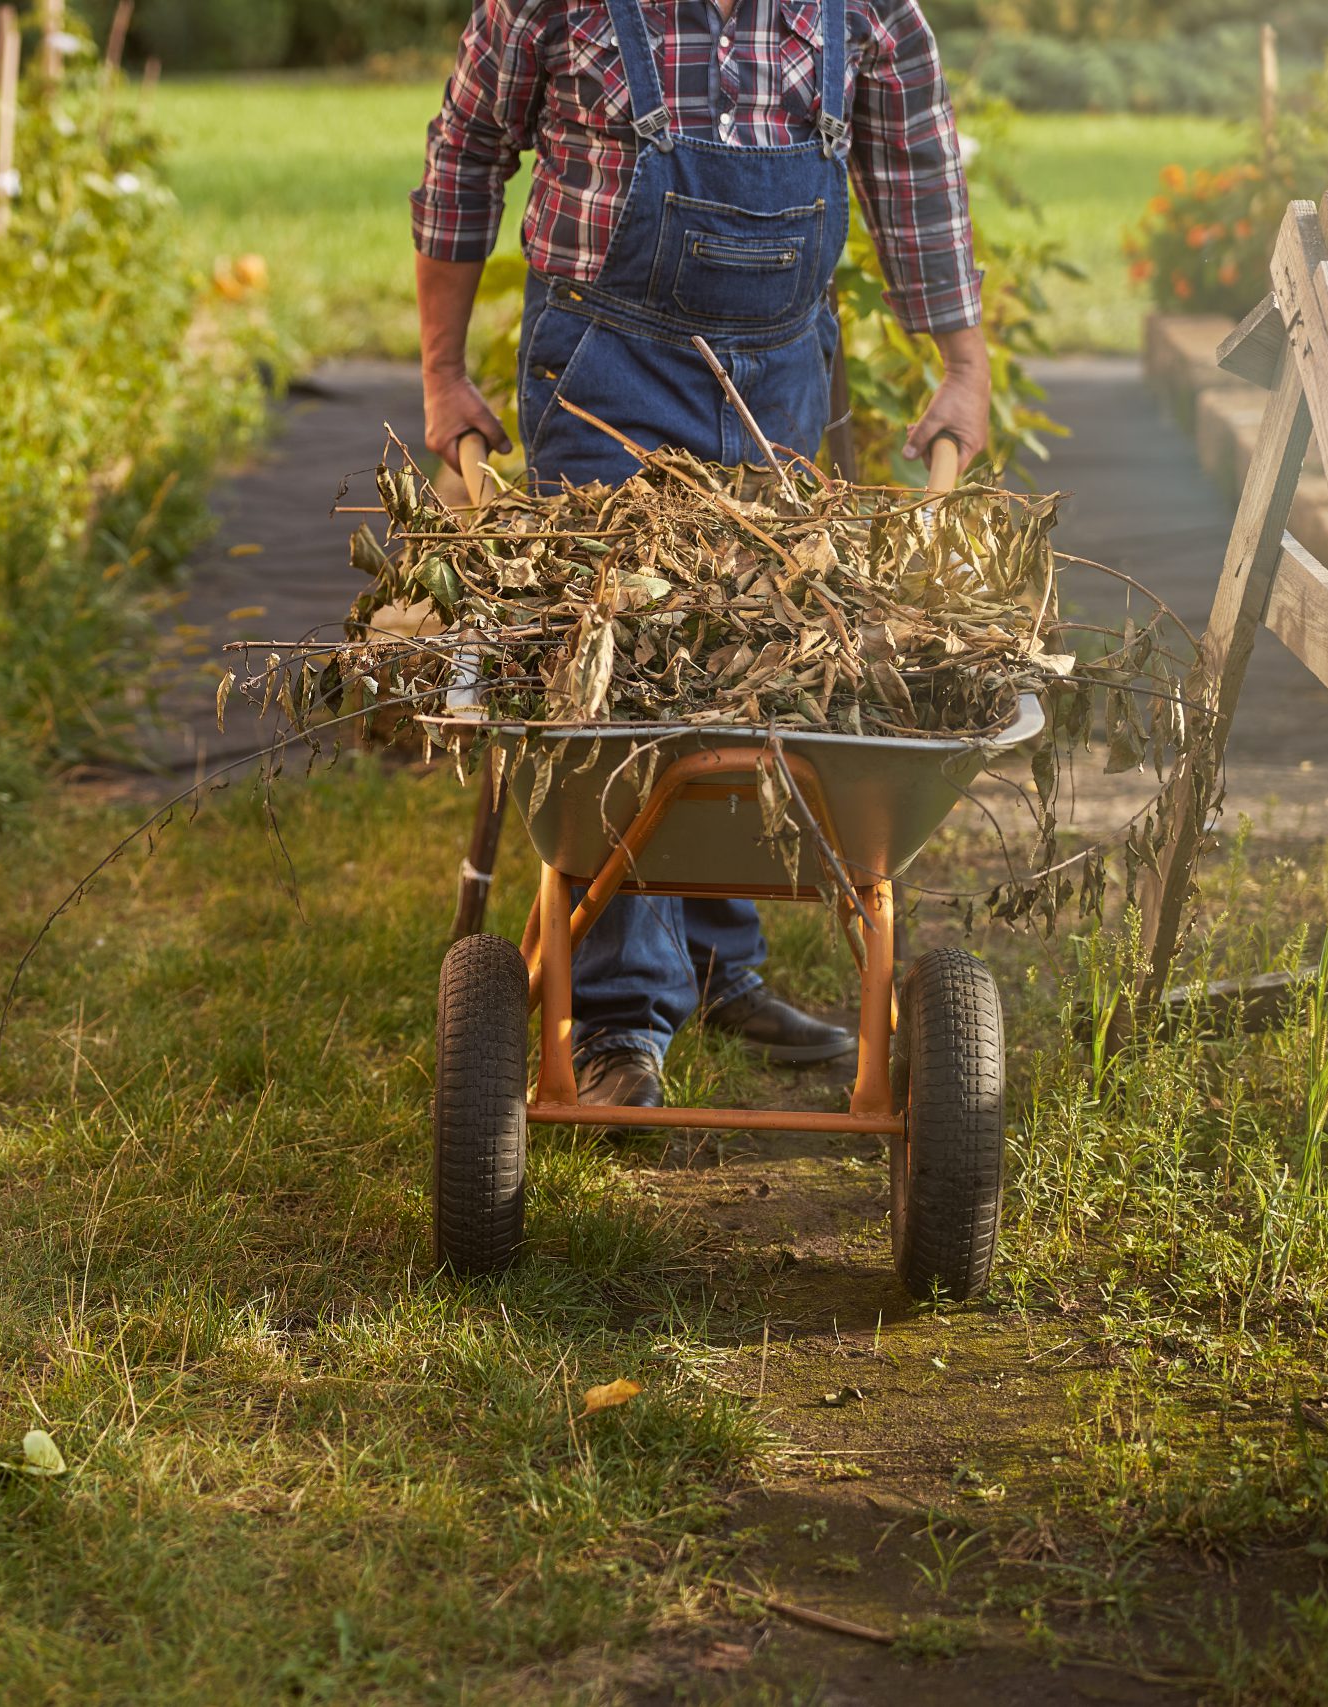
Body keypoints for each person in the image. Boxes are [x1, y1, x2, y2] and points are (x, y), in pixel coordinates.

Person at [412, 0, 991, 1111]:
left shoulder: (865, 13)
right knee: (623, 674)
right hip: (603, 371)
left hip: (779, 377)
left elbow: (917, 178)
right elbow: (464, 160)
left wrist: (960, 362)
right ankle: (623, 1014)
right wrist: (443, 373)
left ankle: (721, 965)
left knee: (754, 655)